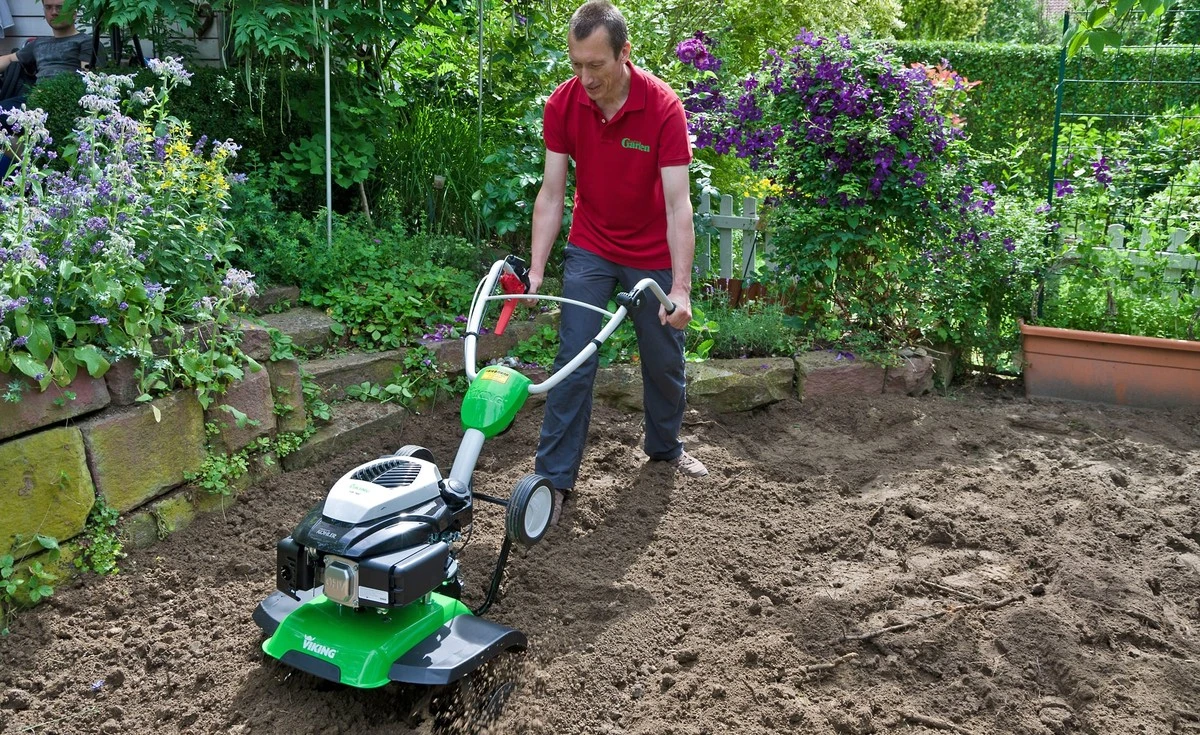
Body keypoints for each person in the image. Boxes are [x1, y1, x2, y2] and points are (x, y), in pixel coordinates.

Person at [527, 0, 708, 525]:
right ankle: (554, 483)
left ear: (625, 54)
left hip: (651, 253)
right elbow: (552, 193)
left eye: (596, 65)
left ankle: (665, 445)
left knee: (663, 357)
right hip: (591, 245)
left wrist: (681, 288)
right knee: (574, 359)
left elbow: (679, 206)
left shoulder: (662, 108)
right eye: (576, 64)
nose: (584, 77)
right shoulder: (563, 104)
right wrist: (537, 271)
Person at [0, 0, 105, 110]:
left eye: (60, 7)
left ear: (74, 13)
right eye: (48, 7)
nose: (53, 12)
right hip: (34, 101)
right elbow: (9, 59)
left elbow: (88, 78)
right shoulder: (39, 44)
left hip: (68, 103)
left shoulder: (87, 43)